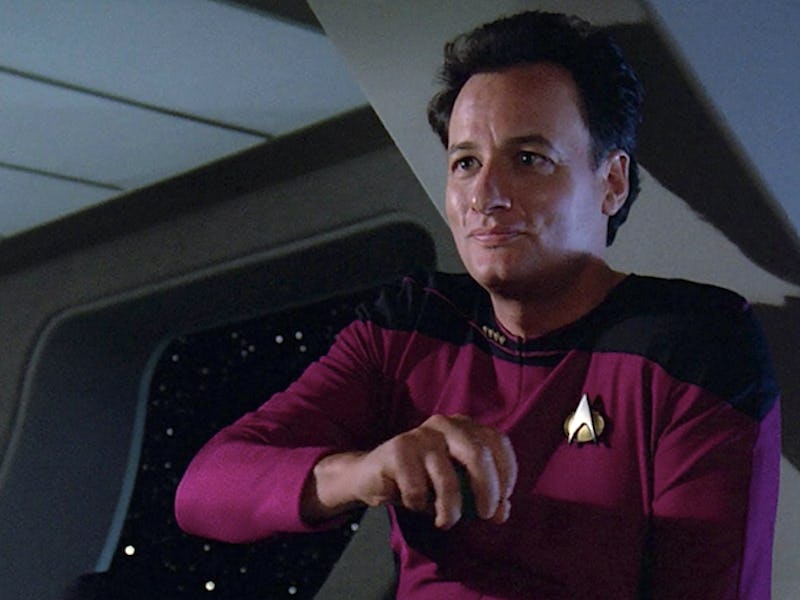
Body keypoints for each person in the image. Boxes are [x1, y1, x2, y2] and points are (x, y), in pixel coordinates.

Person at [175, 11, 780, 599]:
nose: (483, 196)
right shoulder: (410, 325)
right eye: (466, 163)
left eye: (528, 159)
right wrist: (365, 472)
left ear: (612, 182)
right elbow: (205, 490)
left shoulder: (690, 343)